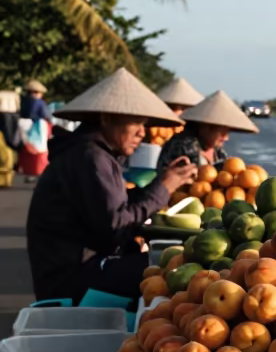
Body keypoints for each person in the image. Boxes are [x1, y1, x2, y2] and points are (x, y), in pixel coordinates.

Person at [26, 68, 197, 304]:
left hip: (76, 269)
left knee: (164, 264)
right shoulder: (90, 158)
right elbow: (114, 228)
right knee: (169, 272)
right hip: (69, 280)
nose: (141, 132)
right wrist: (163, 187)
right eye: (135, 122)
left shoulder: (93, 154)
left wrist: (161, 185)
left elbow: (114, 208)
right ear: (106, 119)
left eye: (144, 124)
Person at [156, 89, 259, 172]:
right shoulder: (183, 145)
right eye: (222, 132)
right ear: (205, 127)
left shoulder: (217, 152)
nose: (226, 138)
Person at [17, 79, 52, 180]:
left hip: (23, 127)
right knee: (40, 152)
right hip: (38, 128)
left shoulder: (23, 101)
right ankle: (38, 173)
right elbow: (46, 115)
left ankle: (28, 173)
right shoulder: (39, 103)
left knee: (27, 151)